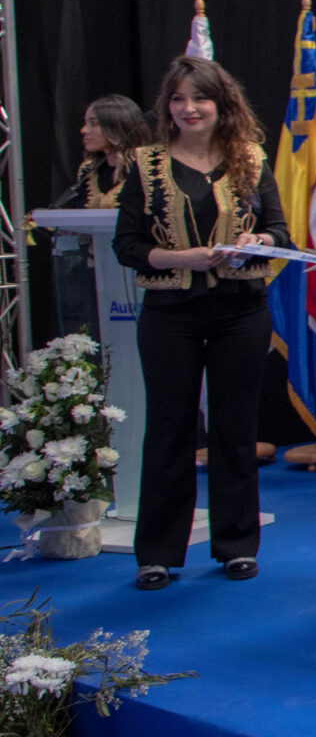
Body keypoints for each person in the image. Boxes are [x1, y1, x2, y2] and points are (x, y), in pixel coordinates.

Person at [110, 58, 286, 590]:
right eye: (179, 100)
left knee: (236, 429)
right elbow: (127, 246)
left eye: (200, 99)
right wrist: (179, 259)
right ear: (168, 106)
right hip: (170, 315)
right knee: (170, 428)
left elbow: (281, 230)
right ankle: (158, 552)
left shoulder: (251, 160)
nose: (189, 109)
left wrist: (262, 242)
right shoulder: (145, 164)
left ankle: (237, 545)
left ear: (221, 104)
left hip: (240, 311)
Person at [57, 94, 150, 208]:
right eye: (86, 123)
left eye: (94, 123)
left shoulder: (147, 168)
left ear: (117, 127)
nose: (83, 130)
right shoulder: (88, 170)